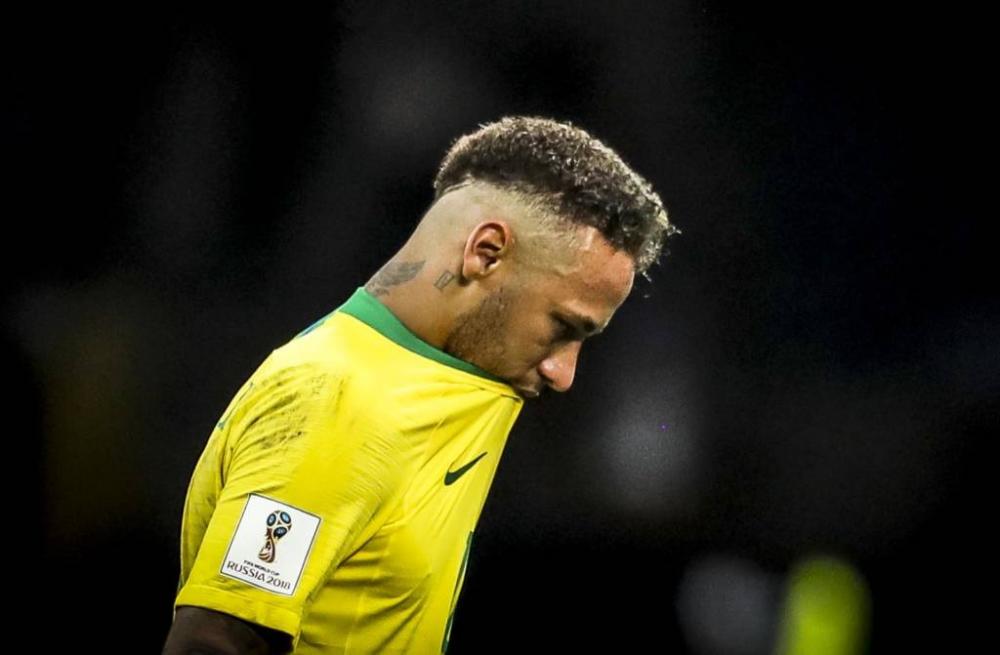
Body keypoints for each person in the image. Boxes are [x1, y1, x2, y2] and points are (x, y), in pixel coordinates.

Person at [162, 114, 678, 654]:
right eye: (564, 326)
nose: (563, 373)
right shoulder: (336, 401)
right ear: (485, 253)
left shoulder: (437, 385)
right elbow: (213, 642)